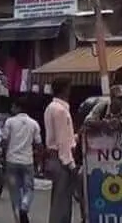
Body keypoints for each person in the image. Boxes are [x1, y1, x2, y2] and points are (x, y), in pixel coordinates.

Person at [44, 77, 78, 223]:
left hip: (55, 157)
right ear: (65, 89)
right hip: (61, 159)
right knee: (61, 201)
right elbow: (62, 141)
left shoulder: (52, 108)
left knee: (61, 199)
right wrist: (70, 164)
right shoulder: (60, 110)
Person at [2, 98, 41, 223]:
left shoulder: (10, 122)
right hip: (27, 161)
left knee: (14, 190)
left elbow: (4, 141)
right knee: (28, 188)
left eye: (13, 106)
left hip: (11, 160)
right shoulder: (34, 124)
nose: (12, 108)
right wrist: (39, 159)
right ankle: (25, 206)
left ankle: (18, 217)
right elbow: (38, 144)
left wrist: (4, 155)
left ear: (18, 107)